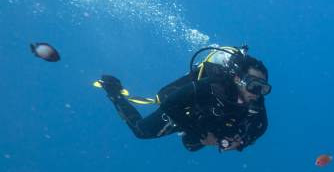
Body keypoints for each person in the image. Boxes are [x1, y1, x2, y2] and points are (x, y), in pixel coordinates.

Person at [97, 46, 270, 152]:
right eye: (254, 86)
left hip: (213, 121)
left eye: (263, 88)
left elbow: (261, 127)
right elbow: (169, 103)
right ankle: (115, 93)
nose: (257, 93)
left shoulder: (256, 101)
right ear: (237, 79)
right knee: (141, 132)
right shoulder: (211, 85)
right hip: (185, 111)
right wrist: (197, 130)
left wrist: (240, 143)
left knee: (192, 146)